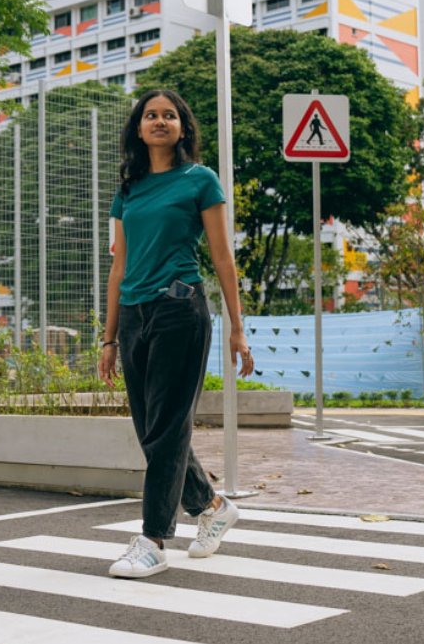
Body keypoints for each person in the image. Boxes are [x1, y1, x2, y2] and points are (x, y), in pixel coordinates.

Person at [98, 89, 255, 579]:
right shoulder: (130, 187)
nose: (159, 121)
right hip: (135, 316)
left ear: (183, 127)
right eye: (151, 115)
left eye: (169, 115)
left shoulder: (200, 180)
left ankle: (153, 540)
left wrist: (237, 327)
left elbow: (223, 256)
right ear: (138, 128)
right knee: (152, 431)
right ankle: (211, 506)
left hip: (178, 309)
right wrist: (109, 337)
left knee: (166, 429)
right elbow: (119, 264)